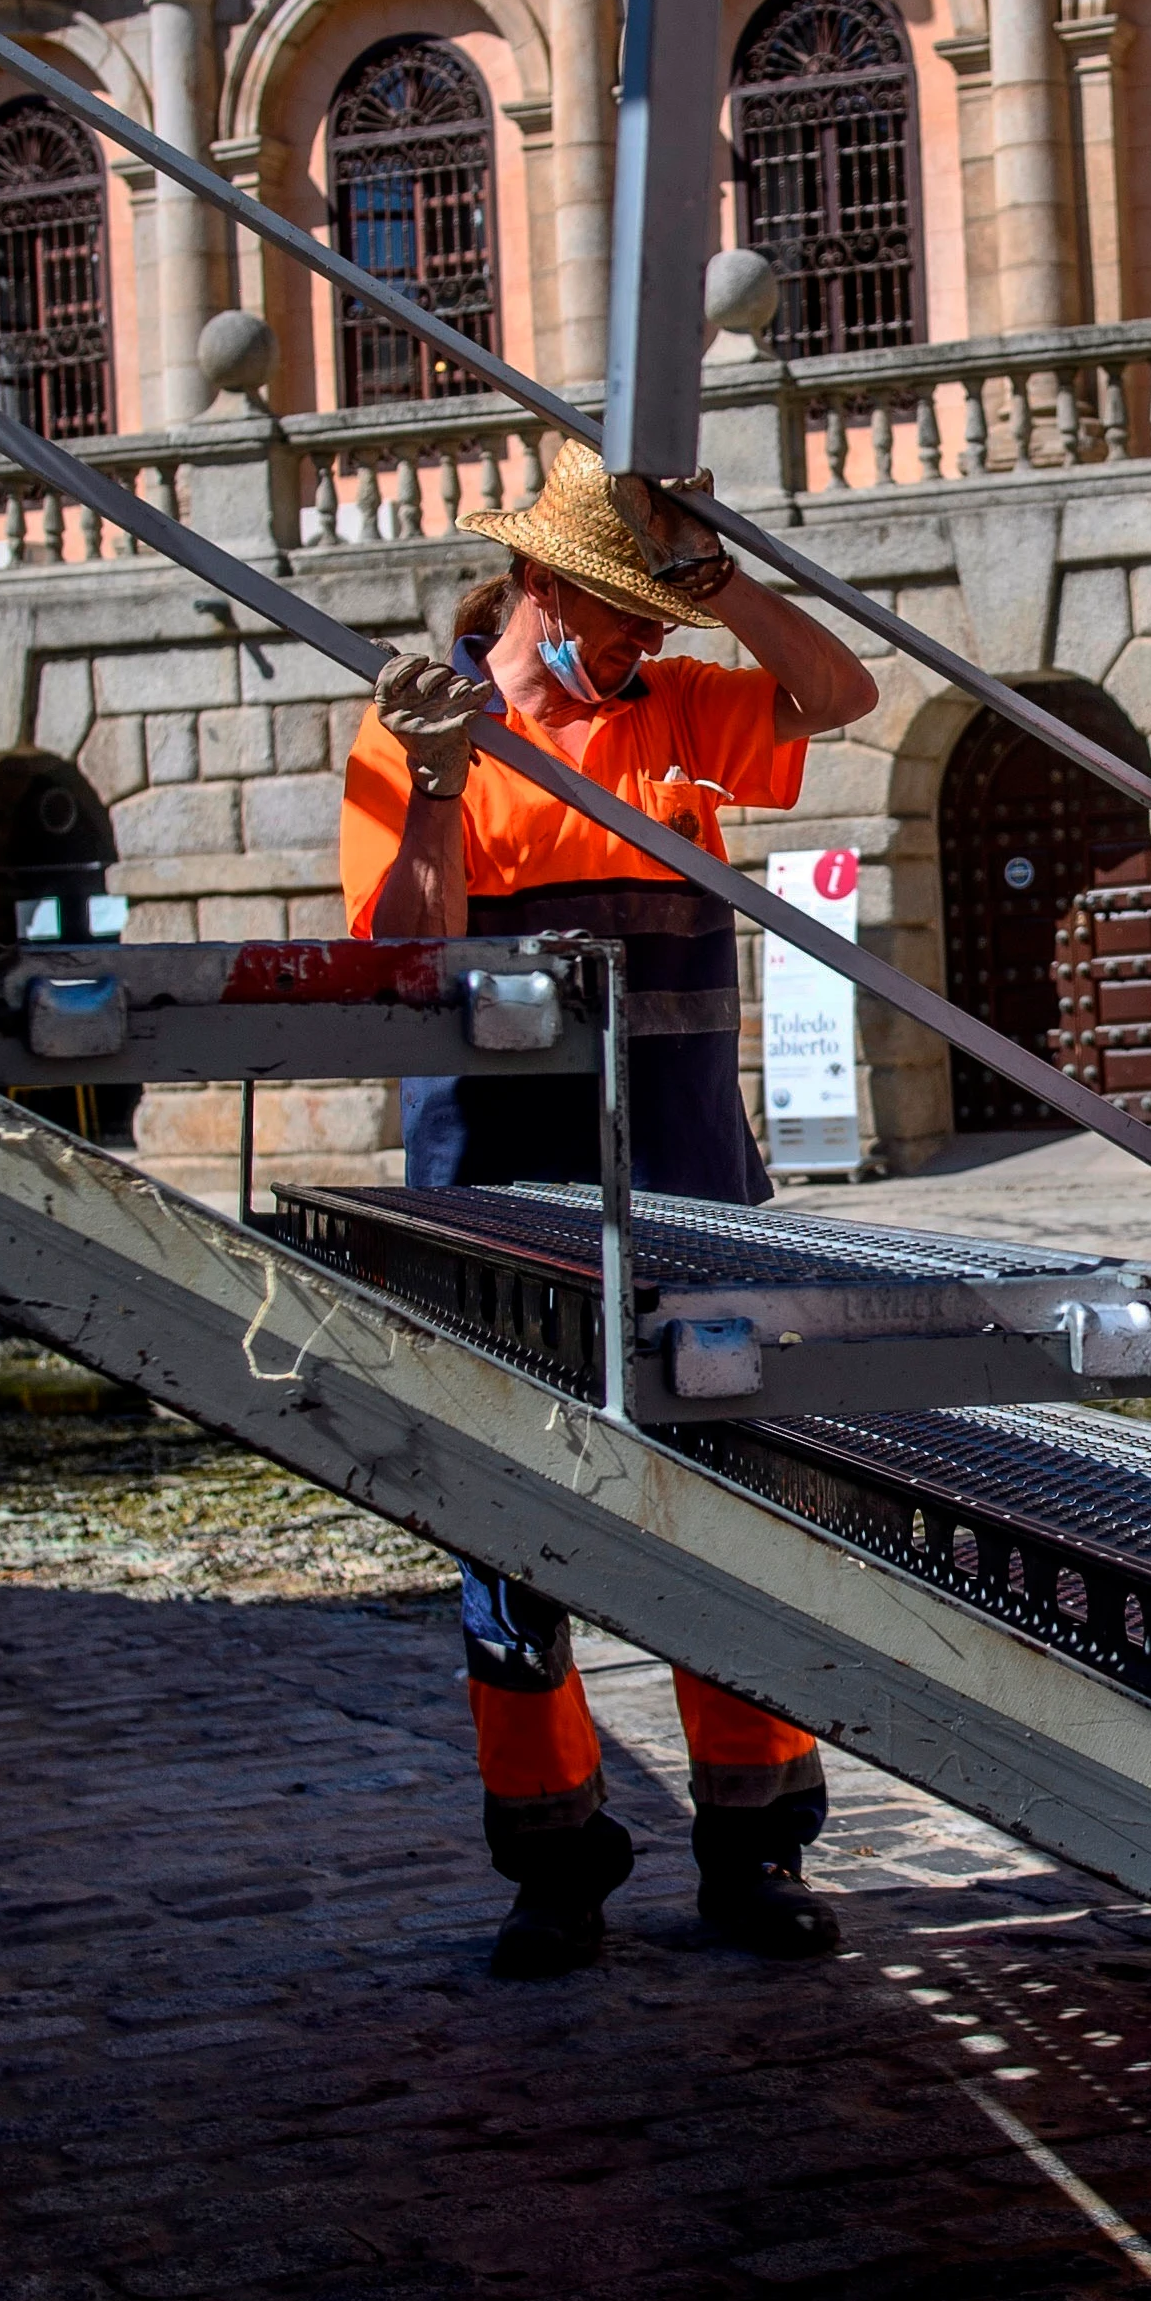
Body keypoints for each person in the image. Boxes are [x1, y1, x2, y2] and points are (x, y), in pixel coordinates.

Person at [342, 439, 883, 1977]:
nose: (646, 641)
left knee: (729, 1509)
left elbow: (840, 701)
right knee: (506, 1532)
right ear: (536, 582)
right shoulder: (416, 728)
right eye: (624, 608)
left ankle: (754, 1844)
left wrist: (720, 575)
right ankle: (553, 1864)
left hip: (693, 1178)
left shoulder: (678, 713)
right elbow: (408, 956)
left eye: (658, 613)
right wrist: (442, 782)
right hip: (497, 1193)